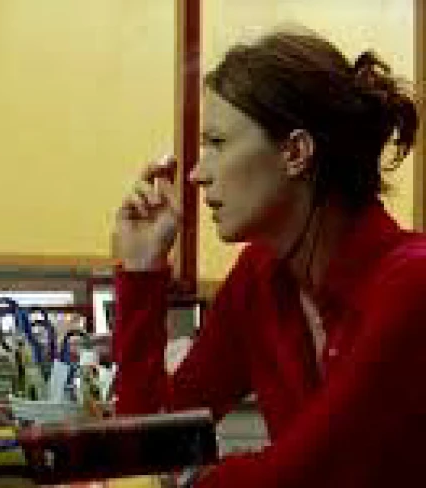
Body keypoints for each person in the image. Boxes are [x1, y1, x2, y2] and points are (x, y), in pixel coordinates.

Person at [112, 28, 423, 486]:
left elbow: (306, 473)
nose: (196, 174)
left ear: (295, 152)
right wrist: (142, 272)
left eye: (217, 143)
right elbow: (151, 448)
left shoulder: (410, 286)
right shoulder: (260, 278)